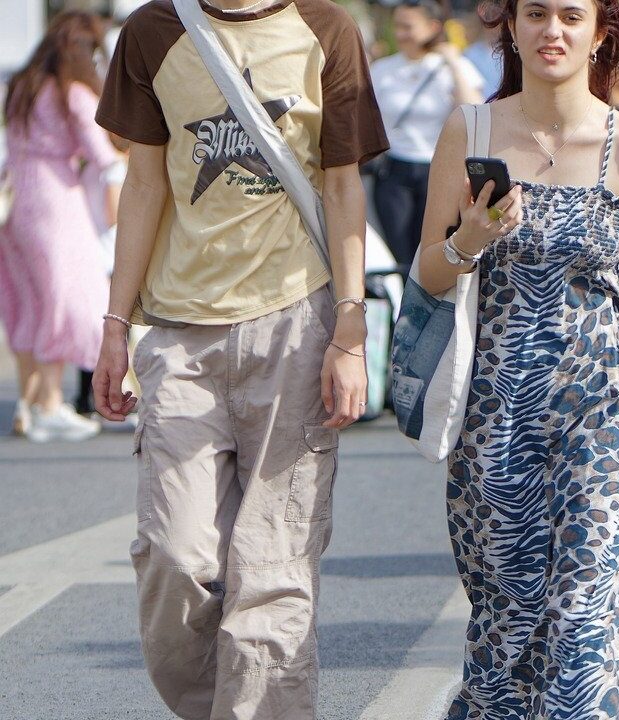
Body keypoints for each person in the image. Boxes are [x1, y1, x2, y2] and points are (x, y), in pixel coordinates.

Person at [414, 0, 619, 716]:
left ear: (598, 35)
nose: (551, 30)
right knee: (508, 610)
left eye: (570, 16)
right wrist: (471, 236)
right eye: (535, 14)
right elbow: (428, 274)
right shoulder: (471, 130)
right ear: (512, 30)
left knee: (584, 604)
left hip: (603, 413)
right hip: (494, 415)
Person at [92, 0, 388, 718]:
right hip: (179, 331)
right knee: (173, 556)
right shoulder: (153, 30)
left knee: (273, 572)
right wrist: (112, 327)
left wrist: (348, 333)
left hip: (296, 320)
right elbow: (144, 183)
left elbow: (343, 186)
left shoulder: (328, 30)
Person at [0, 11, 118, 442]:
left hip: (16, 206)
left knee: (29, 305)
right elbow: (104, 154)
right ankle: (50, 403)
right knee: (66, 300)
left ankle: (30, 405)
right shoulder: (71, 93)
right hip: (56, 204)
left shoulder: (22, 88)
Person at [370, 0, 483, 268]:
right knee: (399, 255)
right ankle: (401, 307)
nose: (400, 34)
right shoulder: (382, 69)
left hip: (438, 170)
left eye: (408, 26)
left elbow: (474, 109)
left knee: (433, 249)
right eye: (397, 26)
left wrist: (453, 60)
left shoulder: (450, 67)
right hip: (393, 170)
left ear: (432, 27)